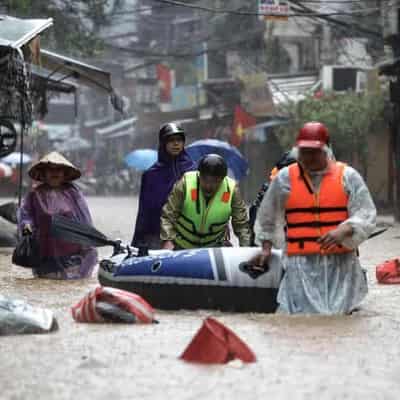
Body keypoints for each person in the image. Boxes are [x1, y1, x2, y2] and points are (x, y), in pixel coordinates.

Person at [252, 122, 376, 314]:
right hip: (300, 266)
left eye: (314, 152)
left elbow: (366, 213)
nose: (308, 157)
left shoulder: (348, 177)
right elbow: (267, 216)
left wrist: (345, 229)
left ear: (326, 150)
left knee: (339, 323)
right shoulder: (285, 178)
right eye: (304, 152)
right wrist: (266, 248)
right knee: (302, 322)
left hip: (341, 267)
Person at [18, 151, 97, 279]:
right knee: (46, 285)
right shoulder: (35, 194)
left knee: (71, 285)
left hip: (72, 252)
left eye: (59, 170)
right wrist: (26, 228)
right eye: (50, 170)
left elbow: (84, 220)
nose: (55, 173)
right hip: (45, 253)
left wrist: (87, 243)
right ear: (44, 173)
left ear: (64, 173)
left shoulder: (73, 194)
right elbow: (26, 216)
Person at [160, 154, 251, 250]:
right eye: (205, 180)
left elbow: (241, 225)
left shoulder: (232, 190)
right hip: (181, 246)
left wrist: (246, 249)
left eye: (215, 181)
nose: (209, 185)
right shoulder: (185, 183)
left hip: (214, 248)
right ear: (199, 175)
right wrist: (167, 240)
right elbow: (168, 216)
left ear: (222, 179)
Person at [132, 123, 195, 249]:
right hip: (158, 236)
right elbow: (144, 211)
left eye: (179, 140)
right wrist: (139, 240)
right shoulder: (151, 175)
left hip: (190, 234)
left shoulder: (194, 170)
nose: (176, 144)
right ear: (163, 143)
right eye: (171, 140)